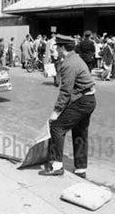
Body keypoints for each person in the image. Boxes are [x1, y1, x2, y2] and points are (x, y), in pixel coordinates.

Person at [39, 35, 96, 179]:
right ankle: (80, 168)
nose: (56, 50)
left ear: (63, 48)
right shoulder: (76, 59)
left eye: (57, 47)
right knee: (80, 131)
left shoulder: (69, 64)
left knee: (57, 127)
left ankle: (57, 166)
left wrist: (56, 112)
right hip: (89, 100)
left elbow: (66, 92)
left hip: (82, 101)